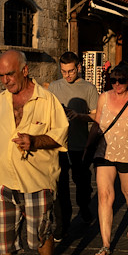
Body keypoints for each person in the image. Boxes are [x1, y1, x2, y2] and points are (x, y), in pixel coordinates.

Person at [0, 49, 68, 255]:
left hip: (37, 181)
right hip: (4, 181)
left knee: (40, 235)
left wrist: (34, 140)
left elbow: (60, 136)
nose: (6, 81)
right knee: (1, 242)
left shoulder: (47, 100)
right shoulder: (1, 101)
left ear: (24, 70)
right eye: (1, 76)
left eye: (10, 74)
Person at [90, 62, 128, 255]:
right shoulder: (103, 98)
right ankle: (105, 244)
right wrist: (89, 146)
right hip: (104, 152)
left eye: (121, 80)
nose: (117, 84)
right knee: (105, 196)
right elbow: (97, 124)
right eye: (113, 80)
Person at [48, 52, 99, 241]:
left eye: (70, 71)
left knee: (82, 183)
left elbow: (96, 116)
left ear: (78, 67)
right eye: (63, 71)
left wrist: (79, 116)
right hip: (59, 145)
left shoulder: (89, 88)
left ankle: (84, 206)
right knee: (60, 188)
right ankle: (62, 225)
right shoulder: (54, 87)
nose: (67, 75)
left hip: (80, 145)